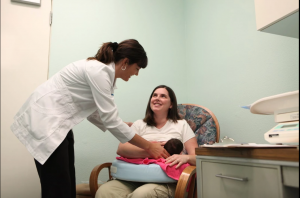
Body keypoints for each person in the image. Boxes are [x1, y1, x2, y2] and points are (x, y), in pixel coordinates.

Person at [10, 39, 170, 198]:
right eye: (137, 68)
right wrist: (149, 146)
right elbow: (110, 120)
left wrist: (123, 125)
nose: (136, 73)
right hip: (46, 121)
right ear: (125, 62)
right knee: (57, 187)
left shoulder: (103, 74)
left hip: (59, 124)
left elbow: (96, 113)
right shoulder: (99, 71)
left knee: (66, 184)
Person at [96, 85, 199, 198]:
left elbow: (198, 157)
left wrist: (186, 157)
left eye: (163, 96)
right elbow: (121, 149)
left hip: (167, 181)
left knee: (142, 194)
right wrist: (152, 150)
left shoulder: (181, 125)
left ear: (171, 104)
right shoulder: (139, 124)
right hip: (133, 178)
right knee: (104, 191)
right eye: (154, 95)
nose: (157, 98)